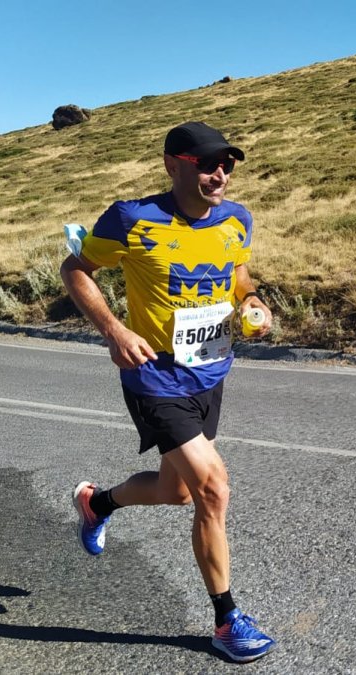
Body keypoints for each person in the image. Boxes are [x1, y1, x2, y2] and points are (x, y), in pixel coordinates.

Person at [60, 121, 276, 664]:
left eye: (226, 163)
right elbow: (76, 267)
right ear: (172, 164)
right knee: (213, 490)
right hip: (155, 377)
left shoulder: (236, 218)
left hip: (211, 371)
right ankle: (227, 622)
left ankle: (97, 502)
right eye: (206, 163)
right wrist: (114, 329)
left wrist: (252, 302)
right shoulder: (132, 218)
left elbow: (239, 273)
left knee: (178, 491)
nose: (219, 173)